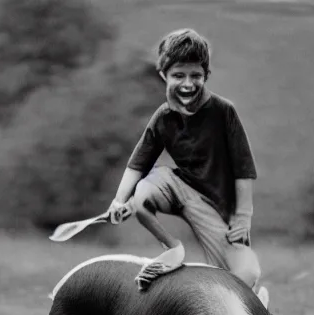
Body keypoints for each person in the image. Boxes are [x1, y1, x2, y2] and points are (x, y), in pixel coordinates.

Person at [108, 28, 261, 291]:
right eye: (178, 75)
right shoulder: (162, 117)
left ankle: (253, 307)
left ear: (206, 76)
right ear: (163, 75)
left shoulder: (224, 112)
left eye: (196, 76)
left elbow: (243, 169)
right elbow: (137, 165)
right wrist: (119, 200)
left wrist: (243, 218)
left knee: (245, 275)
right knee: (141, 194)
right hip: (178, 187)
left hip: (216, 206)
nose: (188, 84)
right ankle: (172, 249)